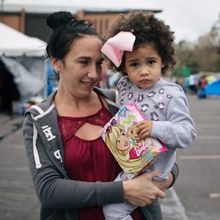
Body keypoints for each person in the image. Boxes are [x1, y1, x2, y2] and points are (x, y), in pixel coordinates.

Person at [23, 11, 179, 220]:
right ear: (56, 62)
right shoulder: (40, 119)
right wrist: (123, 190)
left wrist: (167, 177)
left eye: (98, 63)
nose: (94, 74)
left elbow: (162, 153)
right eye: (83, 62)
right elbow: (49, 190)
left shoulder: (118, 102)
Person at [101, 11, 197, 220]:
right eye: (134, 64)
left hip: (153, 172)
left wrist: (156, 127)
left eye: (151, 62)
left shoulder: (172, 93)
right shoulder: (125, 86)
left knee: (112, 210)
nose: (144, 71)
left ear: (163, 60)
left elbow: (188, 133)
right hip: (130, 162)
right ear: (123, 66)